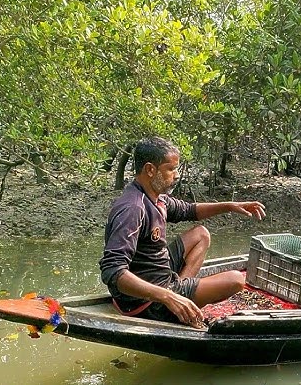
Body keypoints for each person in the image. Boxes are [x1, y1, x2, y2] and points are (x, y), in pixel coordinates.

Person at [99, 137, 266, 329]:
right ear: (150, 170)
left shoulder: (156, 197)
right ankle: (176, 303)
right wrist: (167, 296)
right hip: (145, 302)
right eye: (171, 169)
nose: (176, 175)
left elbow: (190, 210)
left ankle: (182, 296)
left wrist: (230, 206)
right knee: (236, 280)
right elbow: (113, 270)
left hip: (157, 272)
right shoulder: (133, 208)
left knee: (201, 234)